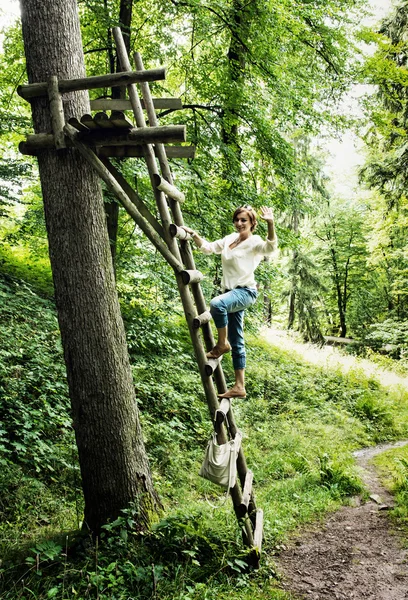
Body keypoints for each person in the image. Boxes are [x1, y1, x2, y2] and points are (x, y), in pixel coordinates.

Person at [181, 205, 277, 399]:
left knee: (217, 304)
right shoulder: (229, 239)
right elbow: (208, 248)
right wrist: (194, 235)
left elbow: (271, 247)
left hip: (245, 292)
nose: (240, 223)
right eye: (237, 220)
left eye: (244, 220)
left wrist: (271, 223)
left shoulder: (255, 242)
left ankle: (222, 344)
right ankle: (239, 386)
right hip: (231, 294)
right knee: (238, 340)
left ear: (252, 223)